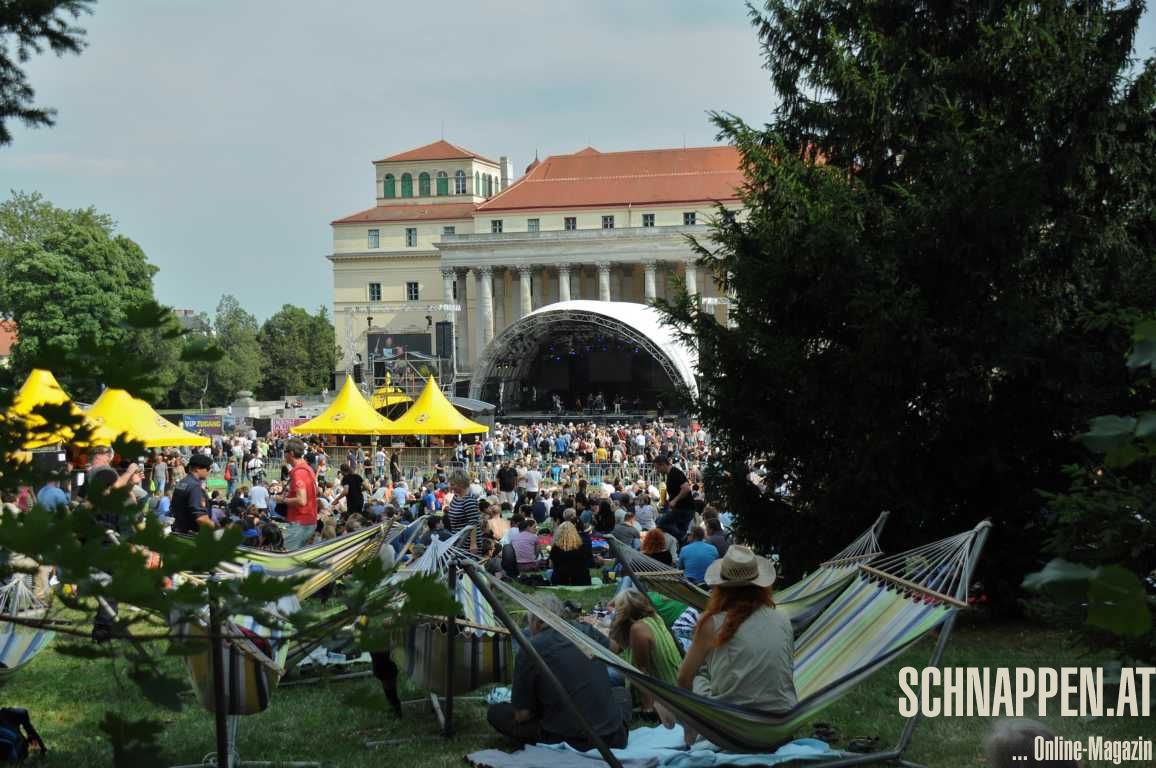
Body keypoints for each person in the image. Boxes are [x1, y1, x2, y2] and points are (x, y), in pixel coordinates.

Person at [663, 546, 796, 746]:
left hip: (731, 730)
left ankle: (689, 730)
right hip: (781, 726)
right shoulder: (782, 619)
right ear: (761, 586)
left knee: (698, 675)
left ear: (720, 587)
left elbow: (683, 679)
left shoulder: (712, 623)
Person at [486, 594, 628, 751]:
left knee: (497, 712)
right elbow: (616, 648)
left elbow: (522, 715)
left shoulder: (529, 649)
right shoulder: (585, 630)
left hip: (574, 742)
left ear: (537, 622)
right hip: (616, 737)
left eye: (529, 622)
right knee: (613, 695)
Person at [602, 589, 681, 715]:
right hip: (673, 681)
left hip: (663, 689)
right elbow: (616, 648)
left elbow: (642, 671)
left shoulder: (638, 629)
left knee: (604, 673)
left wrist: (647, 708)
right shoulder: (655, 618)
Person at [278, 438, 318, 550]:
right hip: (309, 520)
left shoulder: (299, 472)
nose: (284, 455)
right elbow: (317, 491)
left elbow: (301, 500)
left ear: (291, 453)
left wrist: (282, 500)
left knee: (286, 556)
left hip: (300, 523)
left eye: (285, 452)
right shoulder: (308, 469)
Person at [170, 454, 214, 533]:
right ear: (197, 469)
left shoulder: (182, 483)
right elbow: (200, 518)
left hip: (179, 530)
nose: (209, 471)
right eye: (208, 468)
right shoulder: (195, 487)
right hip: (192, 534)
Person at [654, 454, 694, 541]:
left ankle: (683, 537)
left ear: (663, 464)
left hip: (684, 509)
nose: (657, 471)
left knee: (660, 522)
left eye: (657, 468)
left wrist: (675, 501)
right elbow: (676, 492)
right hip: (681, 509)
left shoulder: (675, 473)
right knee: (680, 531)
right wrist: (669, 501)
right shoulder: (670, 474)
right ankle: (682, 541)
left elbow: (686, 488)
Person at [548, 521, 590, 586]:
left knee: (549, 572)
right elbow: (586, 563)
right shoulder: (582, 547)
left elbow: (551, 565)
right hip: (581, 580)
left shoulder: (555, 549)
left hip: (561, 581)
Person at [444, 470, 480, 535]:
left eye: (453, 485)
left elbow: (474, 524)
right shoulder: (456, 497)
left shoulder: (469, 500)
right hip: (457, 538)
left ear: (461, 484)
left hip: (467, 542)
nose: (450, 487)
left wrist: (473, 544)